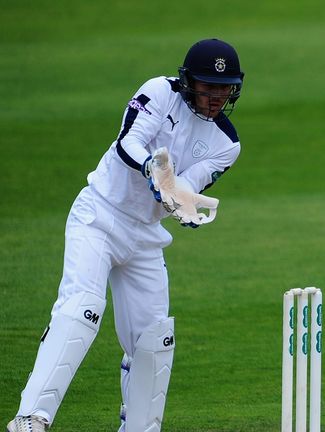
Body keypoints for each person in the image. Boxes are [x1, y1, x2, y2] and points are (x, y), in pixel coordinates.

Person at [6, 38, 245, 432]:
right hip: (100, 215)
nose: (217, 96)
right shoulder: (159, 92)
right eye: (208, 86)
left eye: (225, 88)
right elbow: (127, 142)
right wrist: (152, 166)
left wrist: (181, 202)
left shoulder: (227, 144)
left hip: (146, 237)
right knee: (82, 309)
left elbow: (185, 186)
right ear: (188, 81)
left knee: (154, 340)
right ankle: (30, 417)